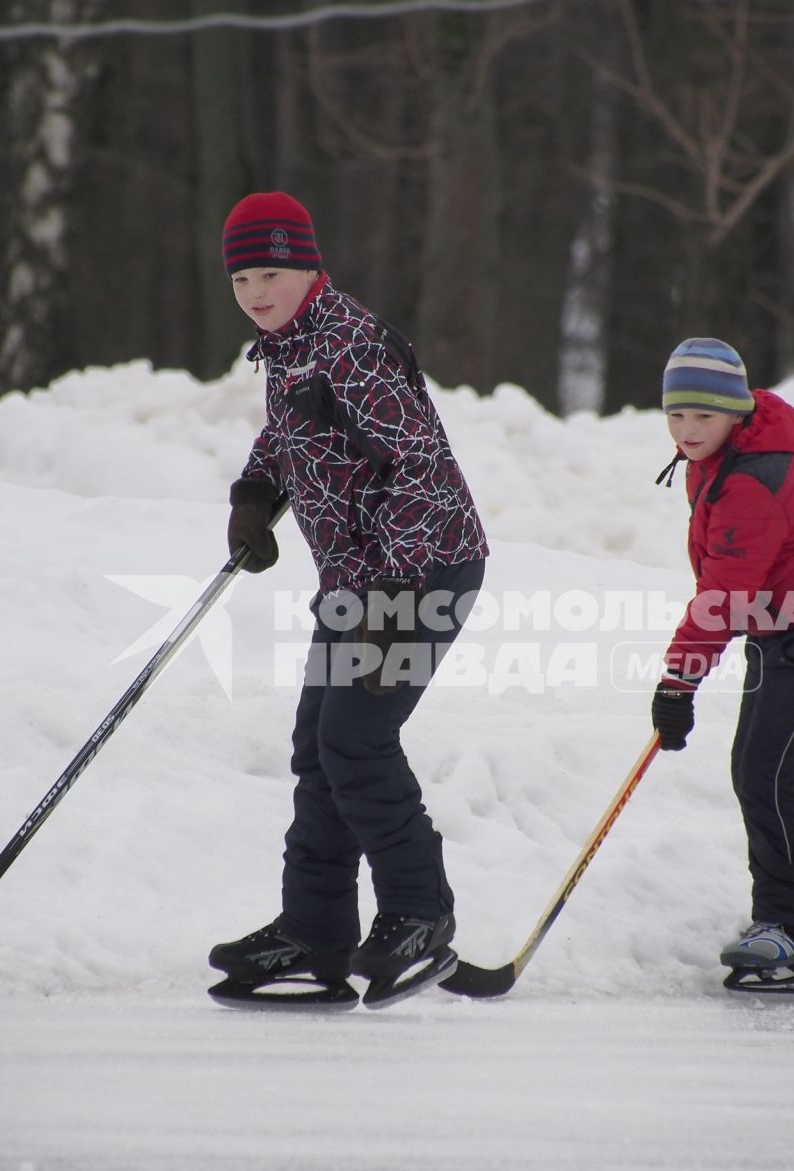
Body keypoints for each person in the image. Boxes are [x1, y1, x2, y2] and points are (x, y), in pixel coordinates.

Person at [207, 192, 489, 1009]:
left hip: (423, 571)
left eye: (272, 273)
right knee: (317, 749)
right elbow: (296, 430)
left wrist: (391, 596)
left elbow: (423, 472)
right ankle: (316, 931)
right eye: (242, 278)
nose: (257, 292)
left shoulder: (352, 344)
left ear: (306, 267)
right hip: (360, 582)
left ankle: (417, 915)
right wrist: (257, 492)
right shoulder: (290, 344)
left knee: (357, 742)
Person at [649, 338, 794, 995]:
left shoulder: (749, 478)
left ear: (734, 414)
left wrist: (677, 681)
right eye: (674, 416)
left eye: (702, 418)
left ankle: (788, 928)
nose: (686, 432)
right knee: (769, 775)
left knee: (767, 777)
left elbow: (723, 593)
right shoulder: (722, 459)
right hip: (787, 626)